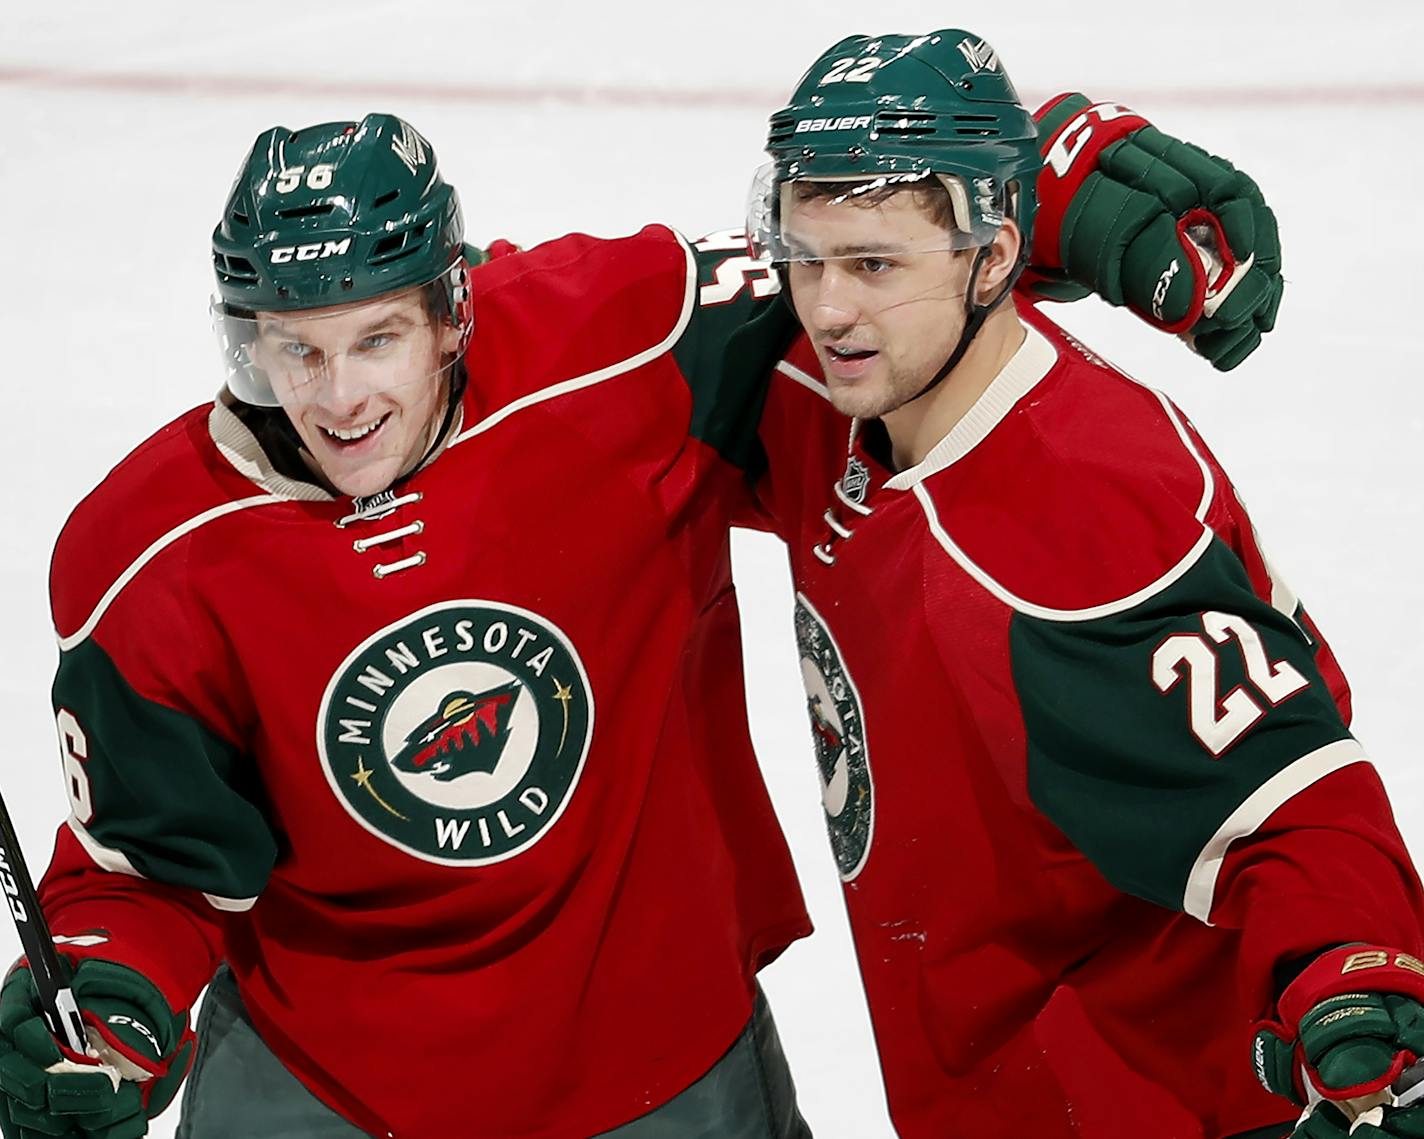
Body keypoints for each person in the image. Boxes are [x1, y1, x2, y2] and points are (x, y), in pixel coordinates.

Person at [0, 88, 1287, 1138]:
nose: (336, 398)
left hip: (664, 1063)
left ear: (450, 310)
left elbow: (842, 274)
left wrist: (1039, 177)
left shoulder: (613, 345)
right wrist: (109, 987)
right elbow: (146, 859)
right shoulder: (145, 552)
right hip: (327, 1080)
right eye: (293, 350)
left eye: (377, 339)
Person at [745, 29, 1424, 1139]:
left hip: (1142, 1100)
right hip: (977, 1081)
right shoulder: (838, 392)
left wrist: (1348, 986)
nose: (823, 309)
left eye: (873, 263)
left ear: (992, 256)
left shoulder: (1087, 504)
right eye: (805, 257)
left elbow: (1291, 800)